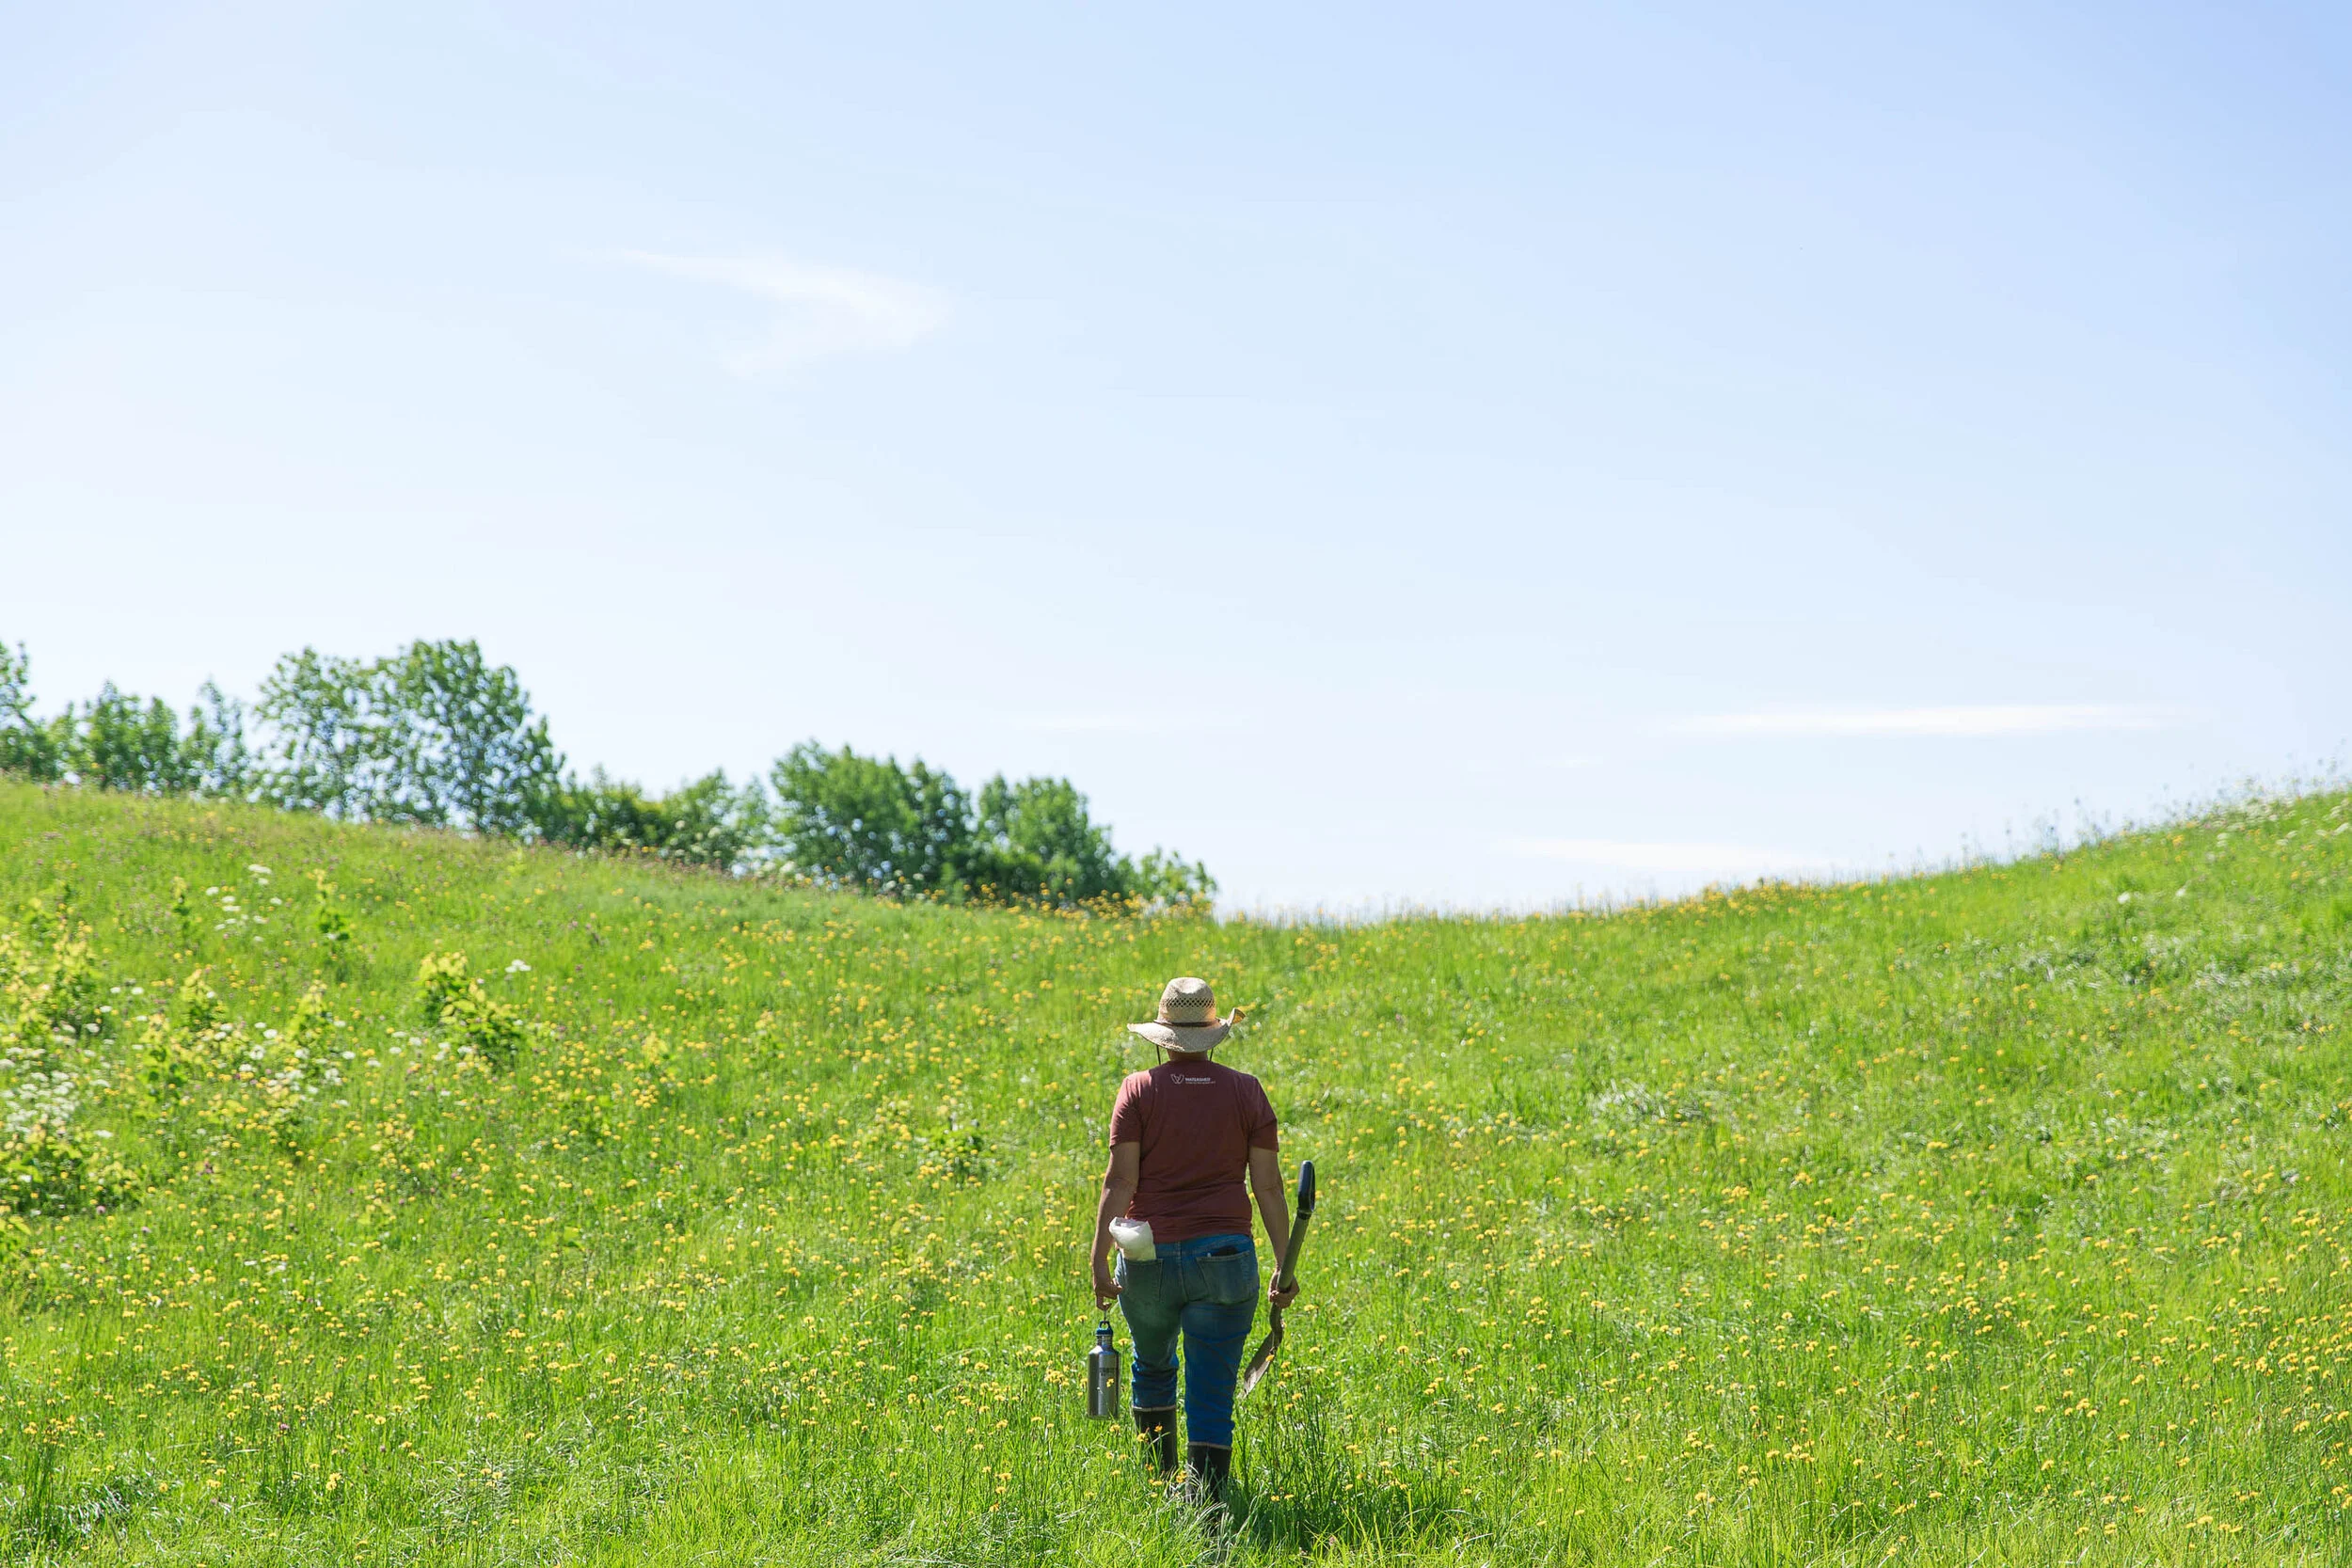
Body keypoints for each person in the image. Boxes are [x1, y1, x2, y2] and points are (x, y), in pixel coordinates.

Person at [1089, 976, 1297, 1502]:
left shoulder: (1138, 1090)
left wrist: (1097, 1256)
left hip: (1146, 1257)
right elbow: (1268, 1186)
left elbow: (1120, 1182)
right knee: (1211, 1391)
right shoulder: (1246, 1091)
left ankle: (1160, 1495)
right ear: (1214, 1035)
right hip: (1225, 1258)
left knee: (1152, 1365)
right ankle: (1207, 1514)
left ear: (1161, 1037)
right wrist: (1283, 1262)